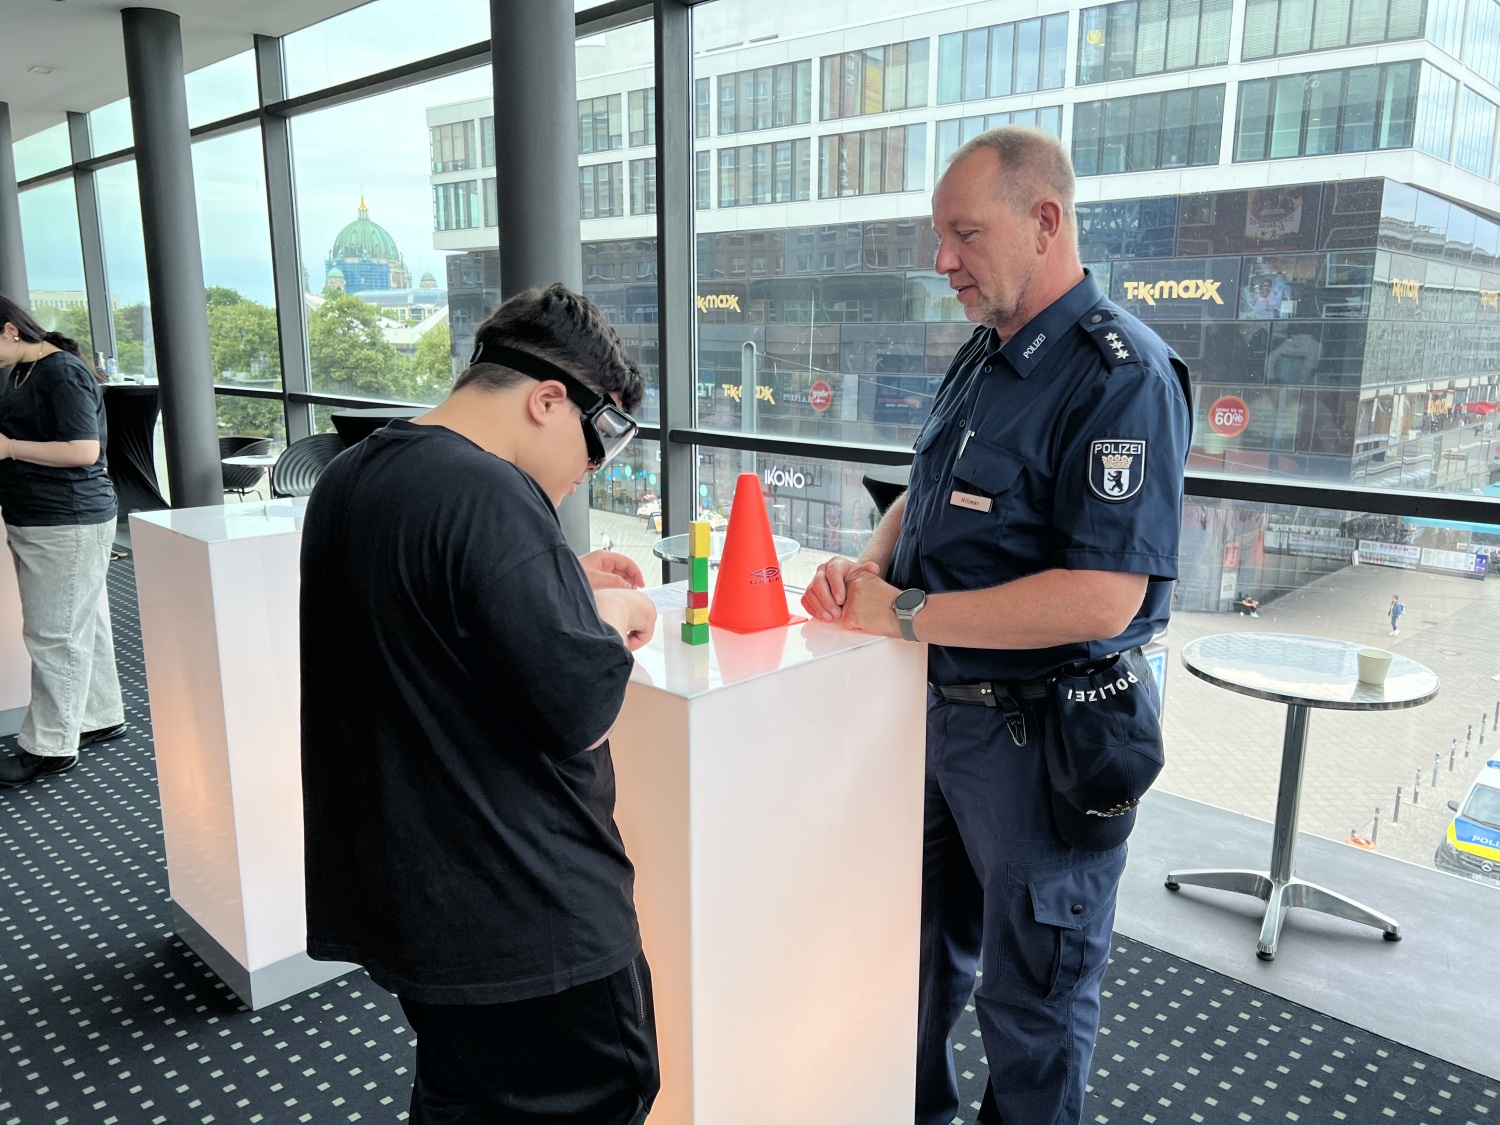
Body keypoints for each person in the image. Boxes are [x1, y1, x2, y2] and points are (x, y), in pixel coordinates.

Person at [800, 127, 1192, 1125]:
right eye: (940, 236)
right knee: (910, 967)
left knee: (1031, 1007)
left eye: (965, 234)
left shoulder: (1123, 377)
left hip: (1043, 742)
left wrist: (908, 612)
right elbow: (928, 488)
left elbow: (1102, 597)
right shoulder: (986, 354)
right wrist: (875, 563)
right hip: (935, 723)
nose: (943, 260)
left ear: (1045, 221)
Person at [299, 283, 660, 1124]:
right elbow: (580, 708)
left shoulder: (350, 477)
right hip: (527, 914)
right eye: (599, 439)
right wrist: (610, 614)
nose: (591, 471)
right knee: (599, 1095)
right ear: (547, 400)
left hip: (418, 904)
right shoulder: (493, 496)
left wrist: (558, 581)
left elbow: (429, 618)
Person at [0, 295, 127, 790]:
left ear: (10, 330)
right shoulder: (20, 371)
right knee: (80, 624)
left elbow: (83, 450)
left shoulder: (62, 372)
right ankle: (99, 715)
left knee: (53, 635)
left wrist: (9, 448)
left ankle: (50, 747)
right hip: (41, 515)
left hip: (66, 518)